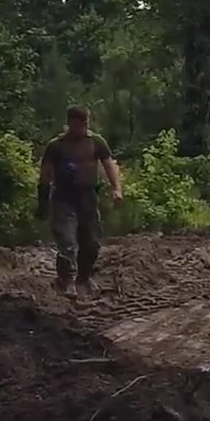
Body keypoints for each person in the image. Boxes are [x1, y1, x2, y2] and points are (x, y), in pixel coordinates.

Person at [37, 105, 123, 294]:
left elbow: (109, 165)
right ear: (69, 124)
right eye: (78, 124)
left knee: (91, 242)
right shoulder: (56, 146)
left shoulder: (96, 142)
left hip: (88, 197)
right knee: (67, 240)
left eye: (85, 123)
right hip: (64, 198)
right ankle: (66, 279)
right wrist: (42, 201)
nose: (82, 127)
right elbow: (45, 174)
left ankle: (84, 277)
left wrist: (116, 189)